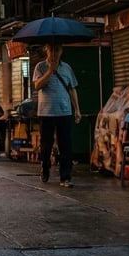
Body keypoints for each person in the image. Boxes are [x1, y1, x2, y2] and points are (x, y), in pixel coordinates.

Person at [32, 43, 81, 187]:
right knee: (46, 145)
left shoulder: (67, 68)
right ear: (46, 50)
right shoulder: (40, 67)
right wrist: (50, 71)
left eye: (57, 49)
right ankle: (45, 167)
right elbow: (38, 85)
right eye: (51, 49)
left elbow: (72, 89)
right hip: (46, 112)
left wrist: (77, 109)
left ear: (61, 51)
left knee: (65, 145)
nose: (54, 52)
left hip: (64, 111)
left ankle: (65, 177)